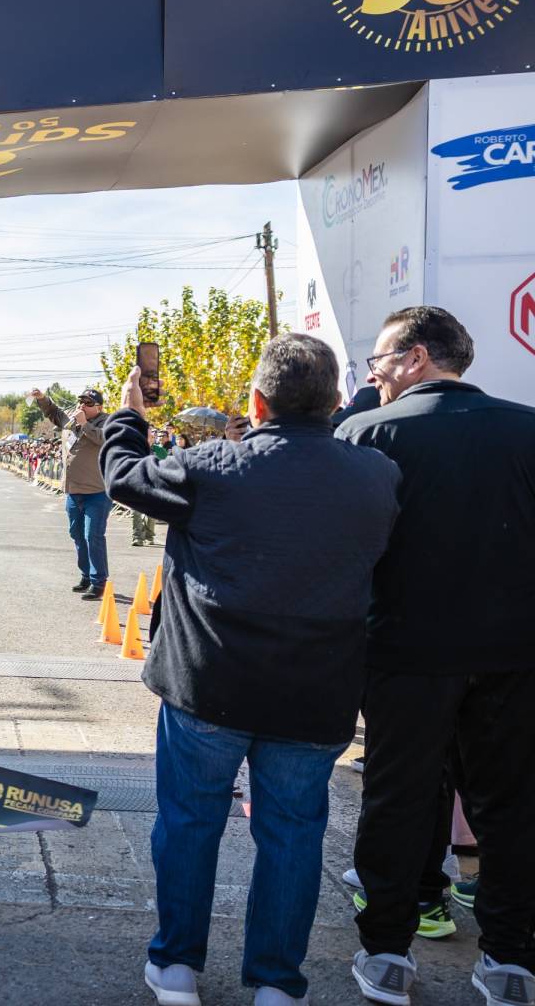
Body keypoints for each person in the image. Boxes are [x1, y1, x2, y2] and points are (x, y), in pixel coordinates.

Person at [101, 334, 400, 1006]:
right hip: (317, 692)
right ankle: (276, 983)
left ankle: (175, 967)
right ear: (332, 404)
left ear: (257, 401)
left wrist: (129, 414)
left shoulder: (212, 465)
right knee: (293, 833)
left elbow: (122, 473)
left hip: (210, 685)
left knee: (189, 822)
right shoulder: (376, 475)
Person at [336, 307, 535, 1006]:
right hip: (514, 656)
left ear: (417, 357)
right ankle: (510, 961)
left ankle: (388, 953)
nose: (375, 374)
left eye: (382, 360)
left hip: (404, 653)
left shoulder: (365, 433)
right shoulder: (527, 428)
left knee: (398, 800)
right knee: (511, 807)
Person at [30, 387, 111, 599]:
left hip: (97, 491)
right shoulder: (72, 421)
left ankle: (99, 581)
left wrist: (85, 424)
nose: (82, 406)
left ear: (99, 407)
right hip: (74, 491)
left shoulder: (108, 422)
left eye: (88, 403)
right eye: (80, 402)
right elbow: (55, 413)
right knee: (77, 535)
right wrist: (42, 399)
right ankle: (86, 575)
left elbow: (105, 440)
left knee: (92, 535)